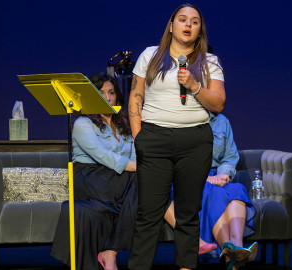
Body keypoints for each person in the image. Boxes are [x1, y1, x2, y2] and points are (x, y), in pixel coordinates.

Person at [127, 3, 226, 270]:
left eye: (194, 22)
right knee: (149, 213)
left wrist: (194, 85)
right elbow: (136, 96)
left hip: (194, 142)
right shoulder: (150, 55)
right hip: (154, 139)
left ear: (199, 30)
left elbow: (218, 103)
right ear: (171, 26)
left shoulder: (210, 61)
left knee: (187, 214)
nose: (188, 25)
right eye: (182, 20)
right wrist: (139, 138)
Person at [51, 73, 137, 270]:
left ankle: (111, 252)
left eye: (111, 92)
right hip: (88, 176)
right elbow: (104, 156)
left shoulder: (124, 125)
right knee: (144, 181)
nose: (107, 98)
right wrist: (142, 169)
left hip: (116, 179)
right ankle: (186, 234)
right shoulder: (83, 124)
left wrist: (140, 167)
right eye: (101, 93)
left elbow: (134, 153)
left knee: (143, 183)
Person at [163, 112, 257, 270]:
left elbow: (230, 156)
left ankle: (237, 246)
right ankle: (230, 257)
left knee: (237, 189)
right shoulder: (181, 117)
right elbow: (176, 159)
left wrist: (224, 174)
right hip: (189, 178)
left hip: (217, 175)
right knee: (213, 192)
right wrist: (205, 178)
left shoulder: (222, 121)